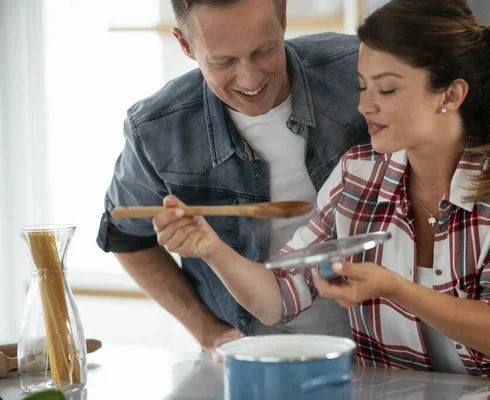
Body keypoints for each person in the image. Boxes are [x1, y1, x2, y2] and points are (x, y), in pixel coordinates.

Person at [152, 0, 490, 384]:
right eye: (363, 86)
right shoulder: (358, 174)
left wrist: (394, 288)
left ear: (450, 94)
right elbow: (277, 298)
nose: (365, 105)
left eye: (387, 88)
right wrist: (208, 246)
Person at [96, 0, 369, 359]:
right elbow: (125, 237)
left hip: (380, 349)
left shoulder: (359, 69)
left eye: (264, 50)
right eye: (223, 62)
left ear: (283, 16)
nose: (250, 79)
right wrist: (208, 332)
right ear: (185, 45)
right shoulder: (155, 129)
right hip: (251, 355)